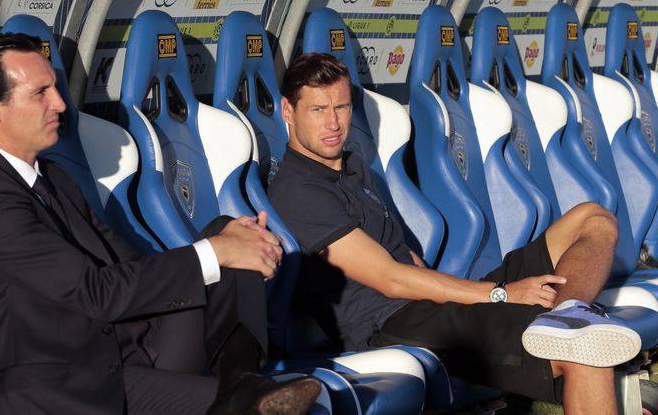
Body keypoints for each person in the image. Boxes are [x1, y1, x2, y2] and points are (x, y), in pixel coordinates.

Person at [0, 33, 320, 414]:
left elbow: (128, 266)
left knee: (231, 232)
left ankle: (244, 385)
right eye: (40, 93)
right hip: (71, 385)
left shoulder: (53, 177)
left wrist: (232, 249)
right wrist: (214, 253)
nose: (59, 104)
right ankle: (241, 400)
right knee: (220, 250)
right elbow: (94, 292)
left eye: (55, 87)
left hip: (128, 350)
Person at [268, 52, 642, 414]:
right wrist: (499, 294)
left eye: (342, 108)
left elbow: (405, 255)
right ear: (288, 111)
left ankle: (568, 314)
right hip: (392, 323)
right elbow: (391, 278)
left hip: (430, 301)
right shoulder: (297, 190)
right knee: (584, 349)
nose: (333, 124)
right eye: (318, 110)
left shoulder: (352, 165)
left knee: (592, 218)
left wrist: (476, 295)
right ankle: (570, 329)